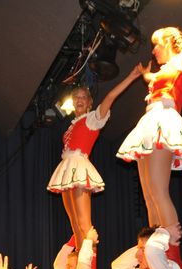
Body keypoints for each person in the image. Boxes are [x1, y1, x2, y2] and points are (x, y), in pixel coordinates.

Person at [116, 0, 182, 229]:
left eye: (156, 45)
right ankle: (154, 241)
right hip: (150, 122)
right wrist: (145, 75)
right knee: (148, 195)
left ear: (169, 42)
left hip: (164, 120)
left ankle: (171, 244)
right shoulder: (165, 70)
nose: (153, 51)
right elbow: (153, 79)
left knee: (158, 189)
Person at [48, 69, 142, 244]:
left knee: (84, 224)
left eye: (83, 97)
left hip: (79, 167)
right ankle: (79, 259)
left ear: (89, 103)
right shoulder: (71, 125)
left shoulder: (92, 119)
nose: (79, 100)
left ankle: (90, 261)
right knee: (75, 225)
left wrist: (131, 77)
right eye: (76, 97)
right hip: (66, 169)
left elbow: (110, 97)